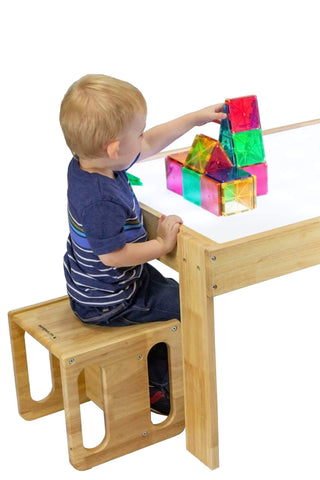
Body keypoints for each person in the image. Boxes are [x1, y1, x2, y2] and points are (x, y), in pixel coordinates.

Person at [60, 74, 225, 414]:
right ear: (114, 148)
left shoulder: (92, 164)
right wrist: (163, 244)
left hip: (108, 286)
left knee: (181, 291)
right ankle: (156, 387)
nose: (143, 138)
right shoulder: (99, 199)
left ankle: (159, 363)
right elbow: (114, 256)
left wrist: (196, 118)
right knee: (189, 308)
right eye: (136, 132)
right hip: (109, 301)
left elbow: (149, 143)